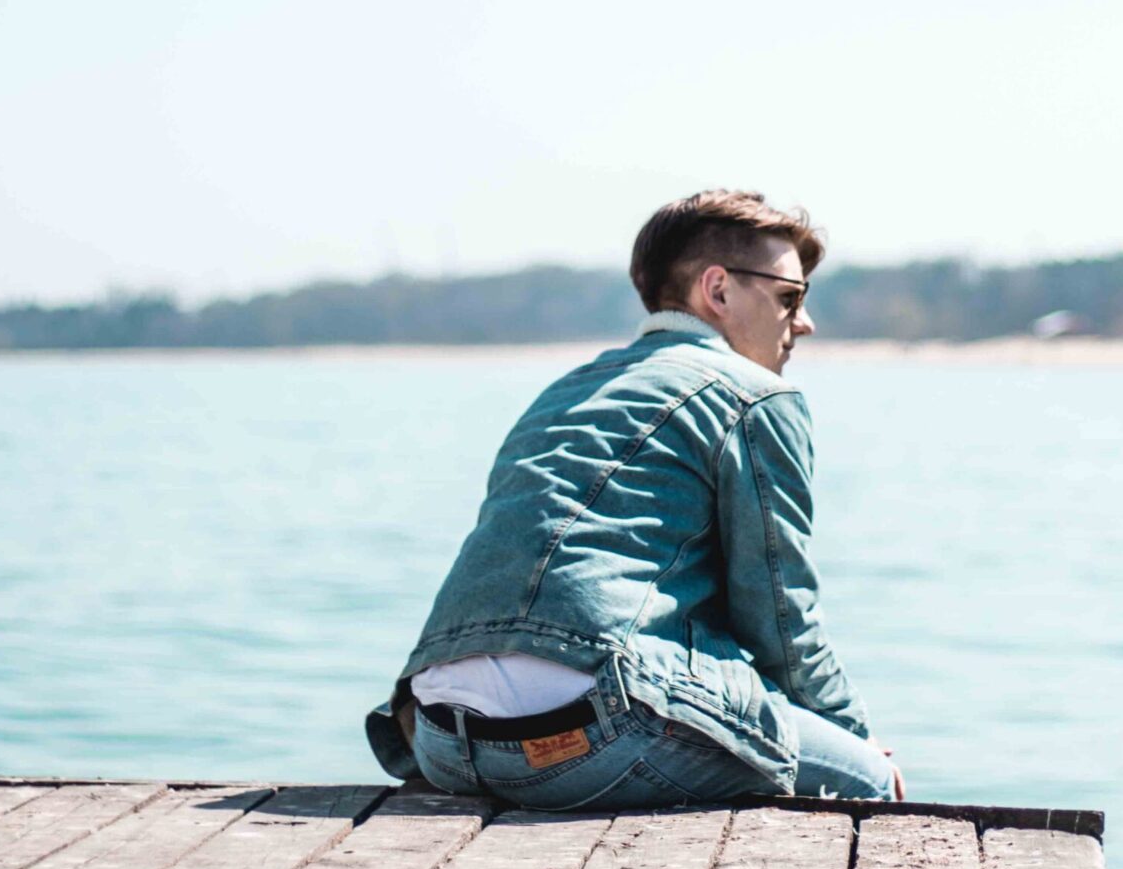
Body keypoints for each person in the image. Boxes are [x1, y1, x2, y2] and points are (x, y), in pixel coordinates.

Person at [365, 189, 903, 810]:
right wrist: (855, 740)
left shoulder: (565, 389)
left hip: (438, 736)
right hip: (584, 736)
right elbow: (782, 620)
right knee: (866, 781)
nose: (803, 322)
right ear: (719, 290)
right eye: (790, 297)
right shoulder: (755, 396)